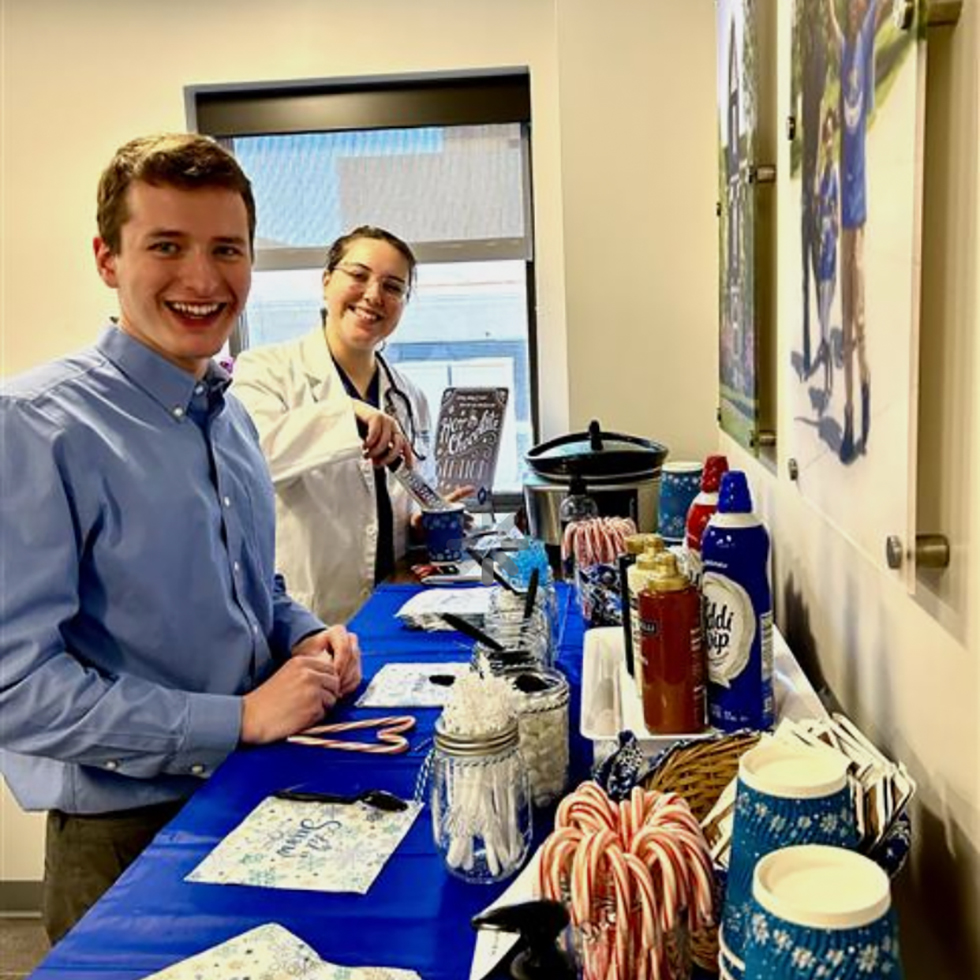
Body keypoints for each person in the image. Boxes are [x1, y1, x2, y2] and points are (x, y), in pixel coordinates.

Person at [0, 134, 361, 944]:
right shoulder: (32, 428)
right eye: (167, 246)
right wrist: (235, 719)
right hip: (125, 838)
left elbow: (252, 584)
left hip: (261, 791)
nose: (203, 280)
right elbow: (17, 692)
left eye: (226, 249)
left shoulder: (227, 412)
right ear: (107, 258)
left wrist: (307, 636)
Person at [231, 226, 471, 625]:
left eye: (393, 287)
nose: (374, 295)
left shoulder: (409, 396)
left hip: (394, 608)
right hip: (304, 617)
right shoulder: (266, 370)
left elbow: (400, 494)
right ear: (326, 282)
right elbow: (252, 459)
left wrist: (422, 519)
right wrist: (348, 414)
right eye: (358, 276)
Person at [826, 0, 894, 462]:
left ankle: (864, 409)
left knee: (860, 325)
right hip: (843, 218)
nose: (853, 14)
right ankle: (849, 417)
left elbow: (880, 10)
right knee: (846, 329)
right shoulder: (847, 47)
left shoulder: (864, 44)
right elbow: (833, 26)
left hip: (859, 212)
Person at [812, 106, 840, 405]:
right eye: (825, 136)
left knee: (826, 310)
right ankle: (824, 351)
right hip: (821, 247)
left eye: (831, 136)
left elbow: (836, 212)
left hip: (830, 246)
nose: (828, 142)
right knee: (822, 310)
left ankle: (827, 361)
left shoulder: (834, 171)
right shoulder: (822, 171)